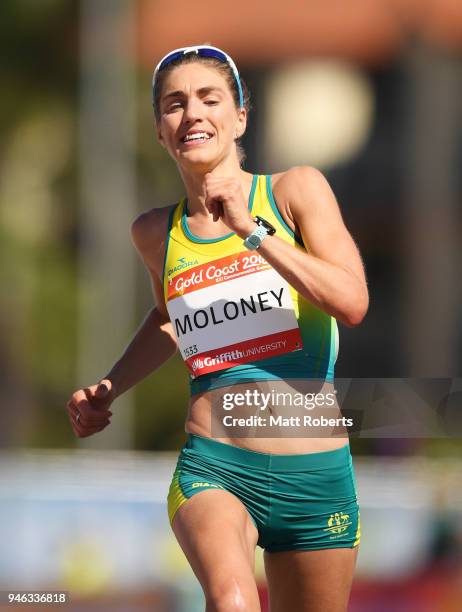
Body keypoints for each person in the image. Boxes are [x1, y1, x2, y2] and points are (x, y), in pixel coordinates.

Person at [67, 45, 369, 612]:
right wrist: (109, 387)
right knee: (231, 602)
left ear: (240, 117)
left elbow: (351, 302)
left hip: (317, 475)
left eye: (210, 98)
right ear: (160, 130)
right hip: (218, 464)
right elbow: (168, 319)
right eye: (175, 104)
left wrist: (253, 234)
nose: (193, 114)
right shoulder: (156, 232)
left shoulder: (294, 192)